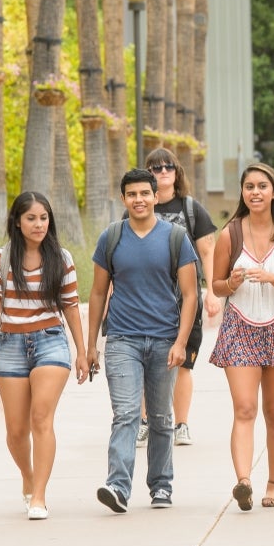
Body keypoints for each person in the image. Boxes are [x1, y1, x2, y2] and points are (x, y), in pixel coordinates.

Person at [87, 168, 198, 513]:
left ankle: (161, 486)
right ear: (124, 199)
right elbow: (97, 292)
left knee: (163, 417)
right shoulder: (112, 237)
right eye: (132, 194)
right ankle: (117, 486)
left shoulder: (175, 237)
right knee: (126, 414)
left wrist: (181, 342)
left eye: (144, 194)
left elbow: (191, 294)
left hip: (165, 339)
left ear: (155, 197)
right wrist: (90, 345)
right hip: (122, 339)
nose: (139, 200)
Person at [209, 163, 274, 511]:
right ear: (243, 193)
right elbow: (217, 285)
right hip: (239, 326)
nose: (254, 192)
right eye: (249, 186)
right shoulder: (230, 234)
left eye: (261, 186)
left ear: (273, 192)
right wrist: (232, 284)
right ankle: (243, 481)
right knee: (244, 407)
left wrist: (272, 279)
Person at [0, 192, 88, 520]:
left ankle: (39, 495)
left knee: (41, 417)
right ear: (17, 221)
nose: (39, 224)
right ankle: (28, 478)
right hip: (11, 344)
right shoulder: (0, 258)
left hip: (50, 341)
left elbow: (70, 305)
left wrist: (82, 352)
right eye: (31, 218)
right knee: (16, 431)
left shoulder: (62, 258)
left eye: (44, 218)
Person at [133, 148, 219, 447]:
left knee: (183, 363)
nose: (163, 172)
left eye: (169, 166)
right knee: (145, 360)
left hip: (186, 299)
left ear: (177, 172)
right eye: (156, 168)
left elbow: (207, 251)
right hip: (146, 299)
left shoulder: (191, 208)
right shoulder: (139, 205)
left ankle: (180, 424)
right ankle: (144, 422)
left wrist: (212, 293)